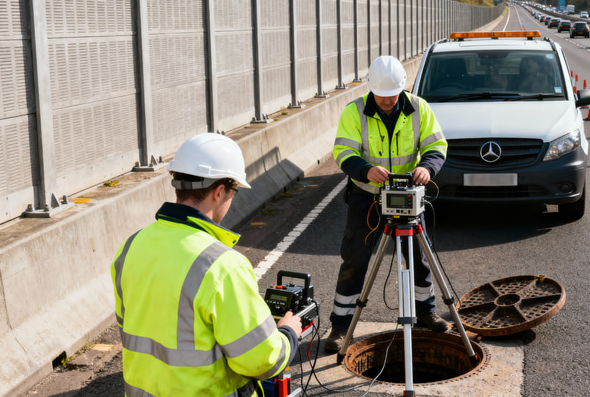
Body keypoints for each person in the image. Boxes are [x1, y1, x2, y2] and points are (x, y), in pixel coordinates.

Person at [111, 133, 302, 396]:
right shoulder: (223, 265)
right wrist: (288, 335)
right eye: (233, 191)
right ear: (219, 191)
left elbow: (129, 324)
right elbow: (260, 360)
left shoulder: (131, 246)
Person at [324, 56, 449, 352]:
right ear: (371, 90)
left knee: (419, 256)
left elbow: (436, 145)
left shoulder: (419, 108)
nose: (387, 101)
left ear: (401, 89)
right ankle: (340, 326)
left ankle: (425, 312)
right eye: (381, 96)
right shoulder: (354, 111)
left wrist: (427, 168)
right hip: (367, 196)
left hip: (408, 193)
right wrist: (365, 170)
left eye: (392, 95)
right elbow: (343, 152)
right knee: (355, 258)